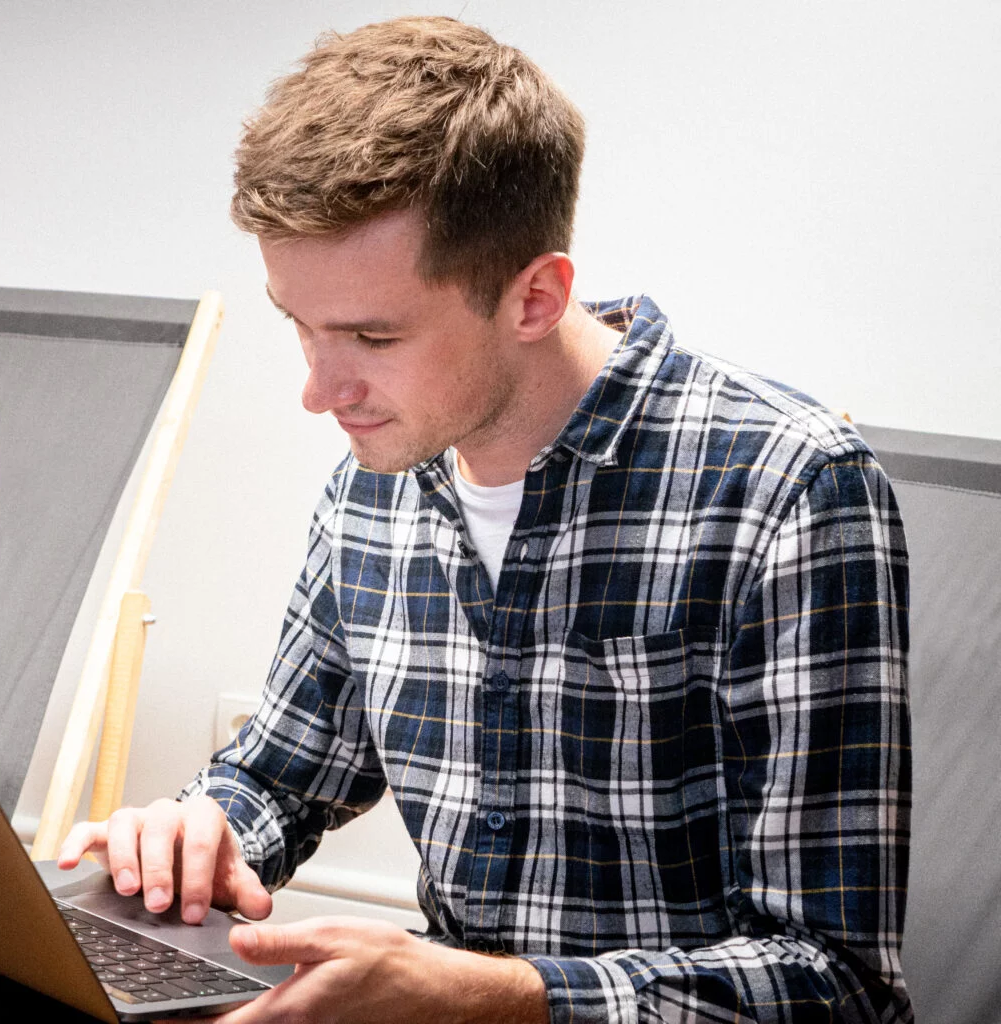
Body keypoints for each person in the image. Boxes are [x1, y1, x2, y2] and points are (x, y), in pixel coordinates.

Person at [57, 17, 912, 1023]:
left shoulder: (789, 492)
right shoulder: (374, 480)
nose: (319, 391)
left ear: (537, 296)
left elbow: (835, 983)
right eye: (300, 324)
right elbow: (283, 775)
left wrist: (501, 997)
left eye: (372, 335)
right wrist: (204, 831)